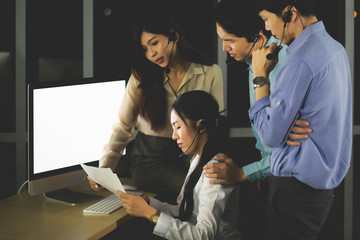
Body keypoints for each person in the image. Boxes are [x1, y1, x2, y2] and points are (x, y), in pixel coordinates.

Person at [87, 12, 224, 204]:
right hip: (151, 160)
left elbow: (215, 126)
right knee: (194, 189)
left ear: (173, 35)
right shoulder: (141, 78)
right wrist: (104, 167)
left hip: (194, 154)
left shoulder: (210, 72)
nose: (151, 54)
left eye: (154, 43)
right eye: (145, 49)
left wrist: (210, 161)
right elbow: (123, 127)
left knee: (219, 188)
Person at [248, 0, 352, 239]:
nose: (267, 29)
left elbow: (269, 134)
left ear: (290, 12)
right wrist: (285, 124)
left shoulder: (299, 60)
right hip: (320, 190)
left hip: (294, 190)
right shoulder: (335, 49)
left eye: (266, 19)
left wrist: (260, 76)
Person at [204, 0, 311, 186]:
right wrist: (262, 171)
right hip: (273, 172)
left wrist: (250, 173)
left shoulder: (283, 61)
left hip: (293, 178)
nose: (224, 48)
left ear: (257, 35)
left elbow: (291, 145)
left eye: (230, 41)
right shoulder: (255, 62)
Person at [117, 90, 241, 239]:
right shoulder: (197, 159)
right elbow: (184, 212)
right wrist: (150, 203)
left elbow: (204, 235)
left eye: (178, 127)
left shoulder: (215, 170)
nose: (173, 136)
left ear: (201, 126)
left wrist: (150, 214)